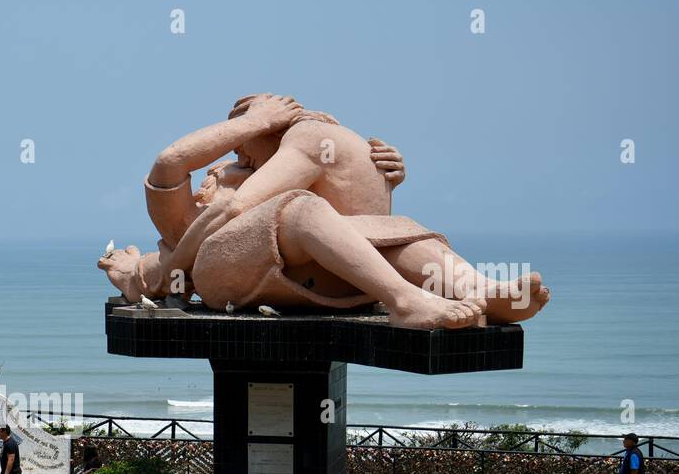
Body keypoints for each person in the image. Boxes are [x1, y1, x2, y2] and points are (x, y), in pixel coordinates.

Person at [100, 93, 550, 330]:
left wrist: (379, 173)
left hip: (310, 272)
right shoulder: (187, 214)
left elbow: (341, 223)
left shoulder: (278, 174)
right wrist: (253, 122)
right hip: (224, 273)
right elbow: (169, 162)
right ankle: (405, 301)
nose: (238, 154)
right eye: (229, 158)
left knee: (397, 231)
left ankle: (479, 290)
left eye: (244, 149)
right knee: (298, 208)